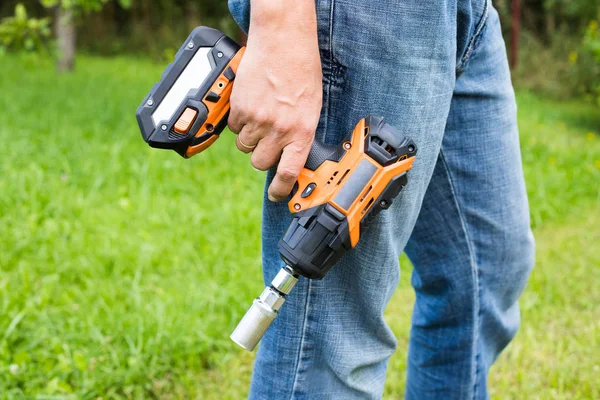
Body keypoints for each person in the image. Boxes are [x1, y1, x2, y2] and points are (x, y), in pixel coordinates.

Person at [226, 0, 535, 398]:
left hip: (464, 13)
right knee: (330, 334)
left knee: (483, 271)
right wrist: (280, 20)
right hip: (367, 14)